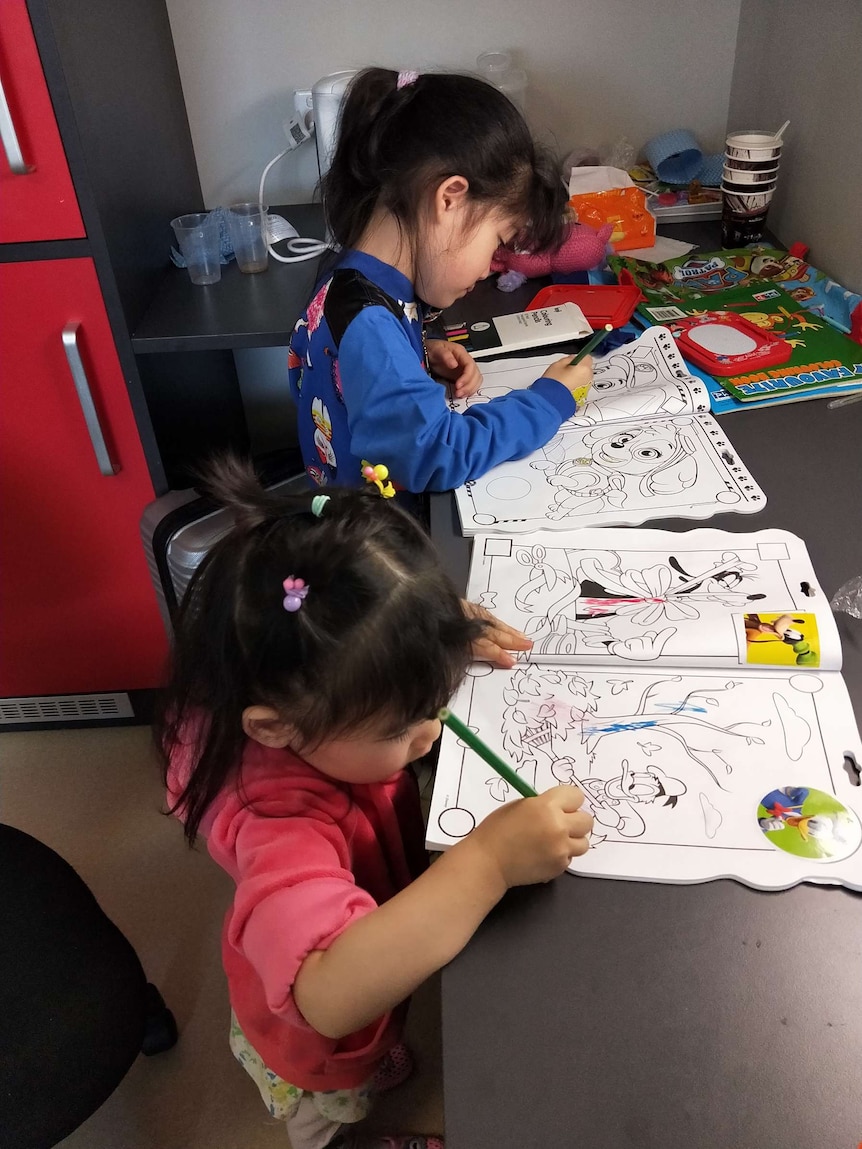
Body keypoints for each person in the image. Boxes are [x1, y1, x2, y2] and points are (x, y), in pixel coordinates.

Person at [156, 457, 593, 1149]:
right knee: (332, 1105)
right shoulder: (275, 821)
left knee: (380, 1031)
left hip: (369, 906)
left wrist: (428, 636)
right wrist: (487, 863)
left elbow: (367, 623)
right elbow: (326, 995)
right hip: (313, 1046)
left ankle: (377, 1057)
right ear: (276, 728)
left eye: (434, 700)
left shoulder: (314, 683)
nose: (432, 731)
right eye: (402, 724)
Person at [288, 67, 594, 494]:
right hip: (372, 548)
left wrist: (417, 355)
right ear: (449, 199)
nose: (491, 266)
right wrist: (550, 399)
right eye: (497, 242)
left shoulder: (347, 284)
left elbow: (339, 364)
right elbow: (435, 455)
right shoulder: (371, 325)